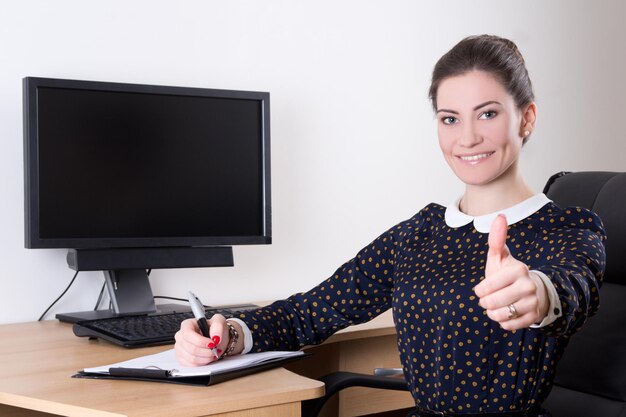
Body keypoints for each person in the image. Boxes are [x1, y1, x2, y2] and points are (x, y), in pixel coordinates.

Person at [175, 34, 606, 417]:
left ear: (527, 118)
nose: (467, 138)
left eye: (488, 114)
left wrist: (538, 294)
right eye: (450, 118)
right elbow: (313, 311)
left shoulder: (567, 227)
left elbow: (574, 288)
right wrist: (229, 334)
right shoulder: (418, 233)